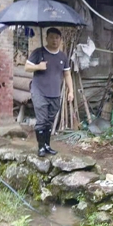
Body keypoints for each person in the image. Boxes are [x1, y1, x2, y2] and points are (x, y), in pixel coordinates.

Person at [25, 27, 74, 157]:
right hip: (39, 91)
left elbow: (67, 74)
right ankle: (41, 147)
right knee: (41, 120)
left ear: (60, 40)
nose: (54, 40)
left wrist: (71, 91)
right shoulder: (38, 52)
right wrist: (38, 66)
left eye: (57, 38)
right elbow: (27, 67)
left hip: (55, 93)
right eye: (51, 37)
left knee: (49, 121)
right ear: (46, 38)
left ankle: (47, 145)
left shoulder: (62, 56)